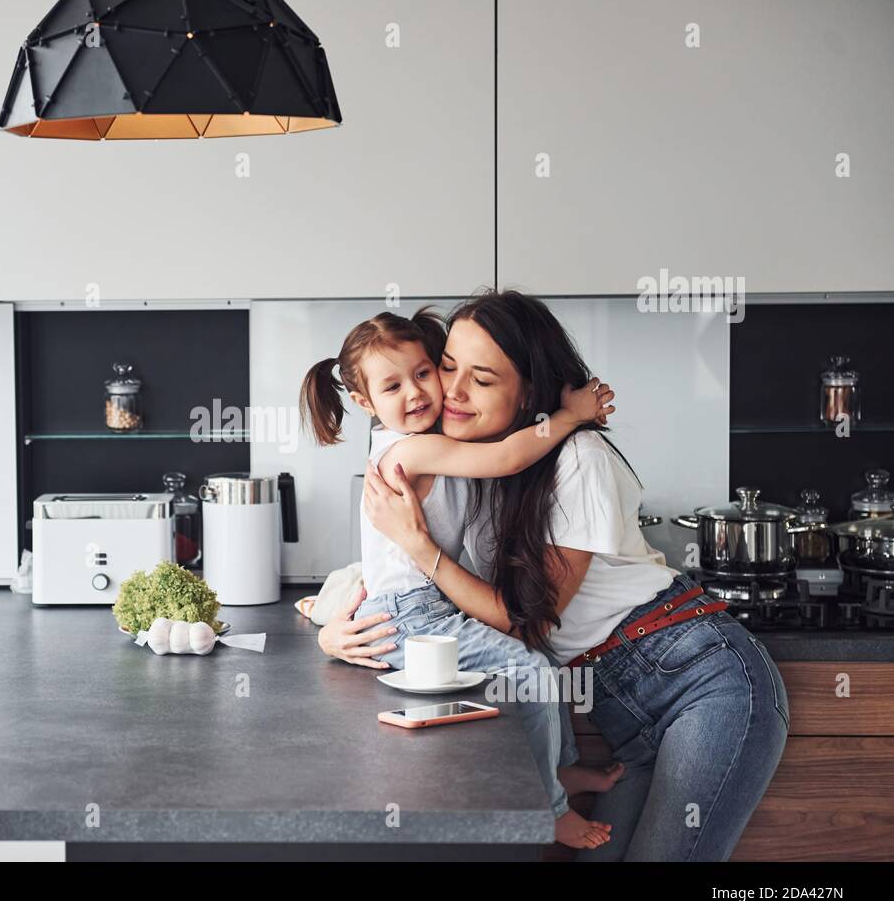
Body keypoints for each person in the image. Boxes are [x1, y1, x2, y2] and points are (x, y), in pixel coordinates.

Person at [321, 290, 788, 861]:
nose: (449, 391)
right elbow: (382, 567)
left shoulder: (575, 458)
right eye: (448, 368)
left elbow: (523, 620)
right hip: (624, 711)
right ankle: (560, 788)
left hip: (699, 680)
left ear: (530, 392)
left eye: (483, 379)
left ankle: (555, 799)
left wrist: (420, 549)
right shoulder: (464, 464)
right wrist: (334, 627)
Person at [300, 309, 617, 848]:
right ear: (364, 403)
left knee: (539, 667)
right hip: (412, 614)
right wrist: (569, 417)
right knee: (533, 673)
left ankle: (557, 773)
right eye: (393, 385)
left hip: (428, 604)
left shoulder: (421, 440)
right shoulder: (410, 448)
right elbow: (509, 457)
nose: (418, 393)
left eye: (425, 373)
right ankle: (552, 809)